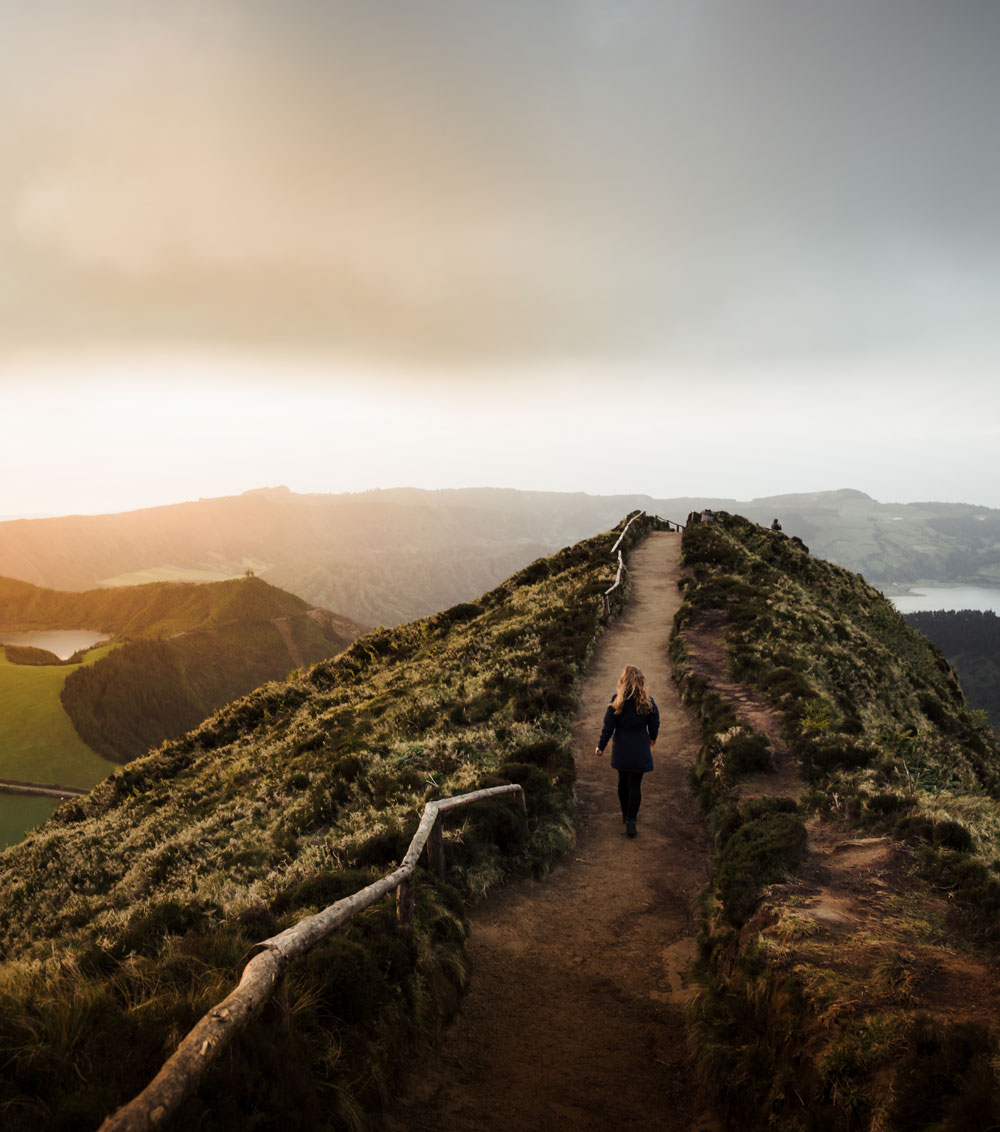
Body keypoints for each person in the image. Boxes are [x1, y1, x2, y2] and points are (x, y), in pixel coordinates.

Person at [594, 665, 659, 838]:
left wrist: (601, 746)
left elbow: (608, 726)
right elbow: (654, 721)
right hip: (640, 748)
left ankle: (625, 813)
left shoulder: (617, 701)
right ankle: (631, 820)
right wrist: (653, 737)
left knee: (623, 782)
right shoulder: (648, 702)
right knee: (635, 784)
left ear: (623, 681)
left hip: (622, 748)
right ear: (641, 681)